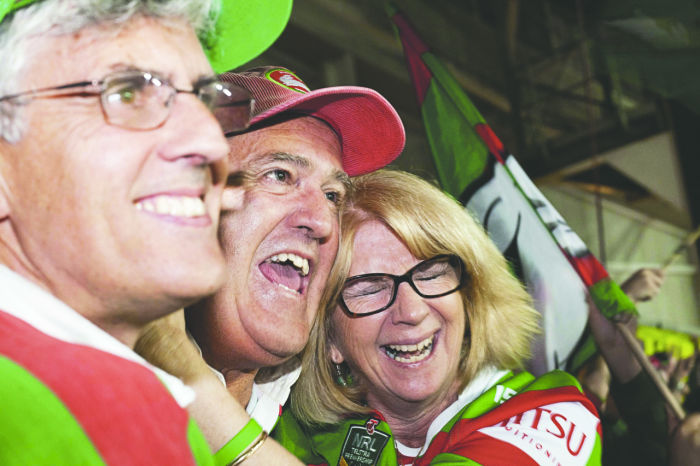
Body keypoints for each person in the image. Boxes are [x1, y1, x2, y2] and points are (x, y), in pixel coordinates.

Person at [0, 0, 295, 463]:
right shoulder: (27, 407)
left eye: (205, 100)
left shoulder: (120, 399)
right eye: (128, 93)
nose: (211, 142)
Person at [136, 66, 404, 440]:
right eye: (279, 175)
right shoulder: (74, 392)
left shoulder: (333, 445)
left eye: (332, 196)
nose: (322, 222)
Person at [273, 169, 602, 465]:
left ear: (469, 298)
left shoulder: (551, 416)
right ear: (329, 337)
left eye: (431, 274)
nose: (412, 312)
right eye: (369, 287)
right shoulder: (283, 425)